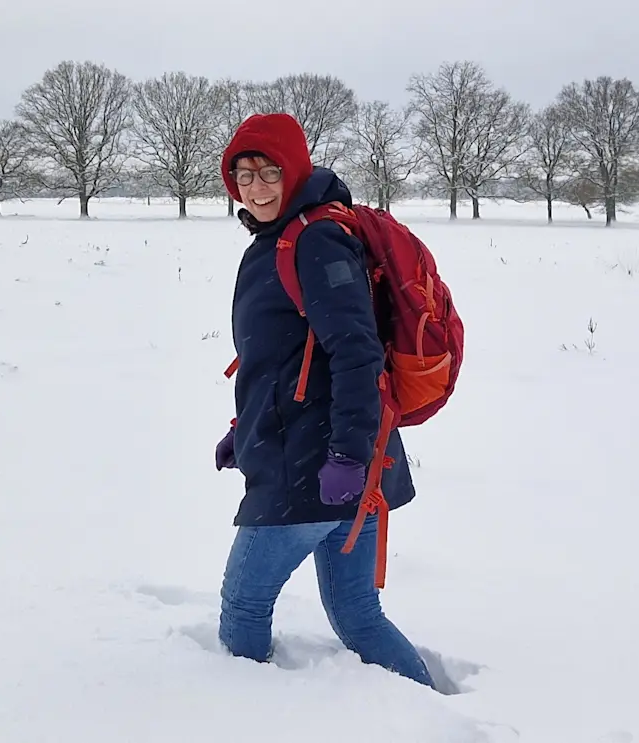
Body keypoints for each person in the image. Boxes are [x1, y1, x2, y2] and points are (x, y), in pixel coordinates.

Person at [212, 112, 434, 688]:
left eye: (268, 172)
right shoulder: (279, 239)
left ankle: (236, 715)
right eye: (244, 174)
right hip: (335, 458)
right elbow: (283, 356)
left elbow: (357, 354)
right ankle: (438, 715)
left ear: (294, 171)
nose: (256, 187)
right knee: (359, 616)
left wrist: (347, 458)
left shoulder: (315, 241)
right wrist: (246, 427)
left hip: (315, 468)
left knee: (243, 609)